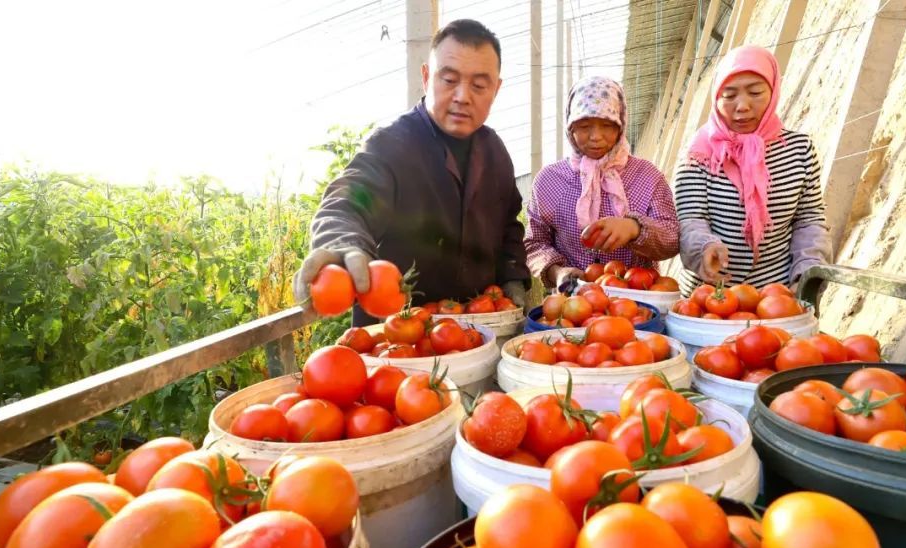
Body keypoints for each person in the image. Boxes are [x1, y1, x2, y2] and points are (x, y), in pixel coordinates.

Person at [292, 19, 530, 323]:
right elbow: (348, 203)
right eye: (449, 80)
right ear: (427, 77)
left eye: (479, 85)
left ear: (496, 89)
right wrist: (341, 244)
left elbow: (509, 226)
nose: (462, 96)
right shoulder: (392, 147)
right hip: (397, 338)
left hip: (475, 334)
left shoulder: (495, 152)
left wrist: (512, 275)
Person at [675, 45, 831, 292]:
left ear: (773, 91)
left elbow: (809, 219)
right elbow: (690, 219)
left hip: (778, 296)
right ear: (716, 98)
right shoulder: (698, 154)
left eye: (756, 92)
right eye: (729, 95)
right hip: (710, 298)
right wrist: (704, 248)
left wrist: (807, 272)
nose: (742, 106)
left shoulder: (799, 149)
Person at [524, 76, 679, 289]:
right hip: (574, 305)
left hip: (638, 301)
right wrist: (557, 271)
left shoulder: (648, 176)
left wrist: (634, 228)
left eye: (607, 125)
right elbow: (534, 242)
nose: (596, 136)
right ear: (570, 128)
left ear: (621, 126)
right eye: (585, 126)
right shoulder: (549, 182)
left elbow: (672, 238)